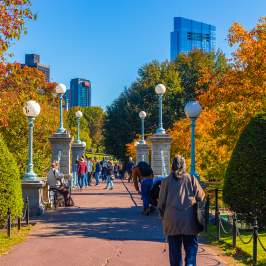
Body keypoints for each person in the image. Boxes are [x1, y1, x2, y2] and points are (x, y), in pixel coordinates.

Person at [158, 155, 205, 266]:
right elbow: (201, 197)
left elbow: (161, 203)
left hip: (172, 220)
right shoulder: (191, 179)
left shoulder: (165, 181)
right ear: (184, 166)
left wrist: (163, 216)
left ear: (172, 166)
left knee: (174, 252)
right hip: (189, 220)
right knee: (191, 250)